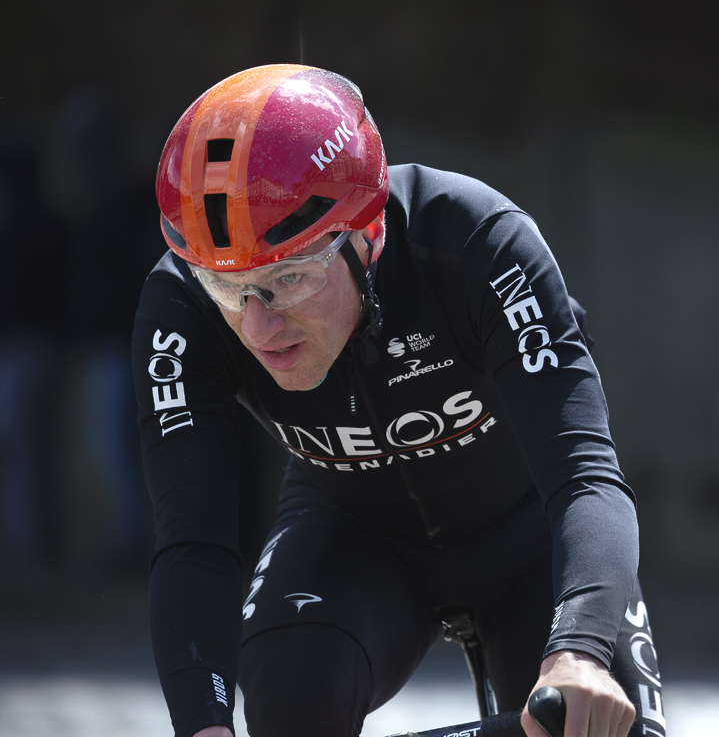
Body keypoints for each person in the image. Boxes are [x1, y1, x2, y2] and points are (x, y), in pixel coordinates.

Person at [132, 65, 666, 737]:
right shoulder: (182, 311)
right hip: (352, 537)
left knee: (596, 721)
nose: (258, 325)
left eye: (289, 278)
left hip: (531, 538)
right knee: (287, 694)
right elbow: (195, 542)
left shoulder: (476, 244)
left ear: (370, 235)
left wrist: (580, 652)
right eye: (227, 288)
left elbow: (586, 477)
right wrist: (202, 725)